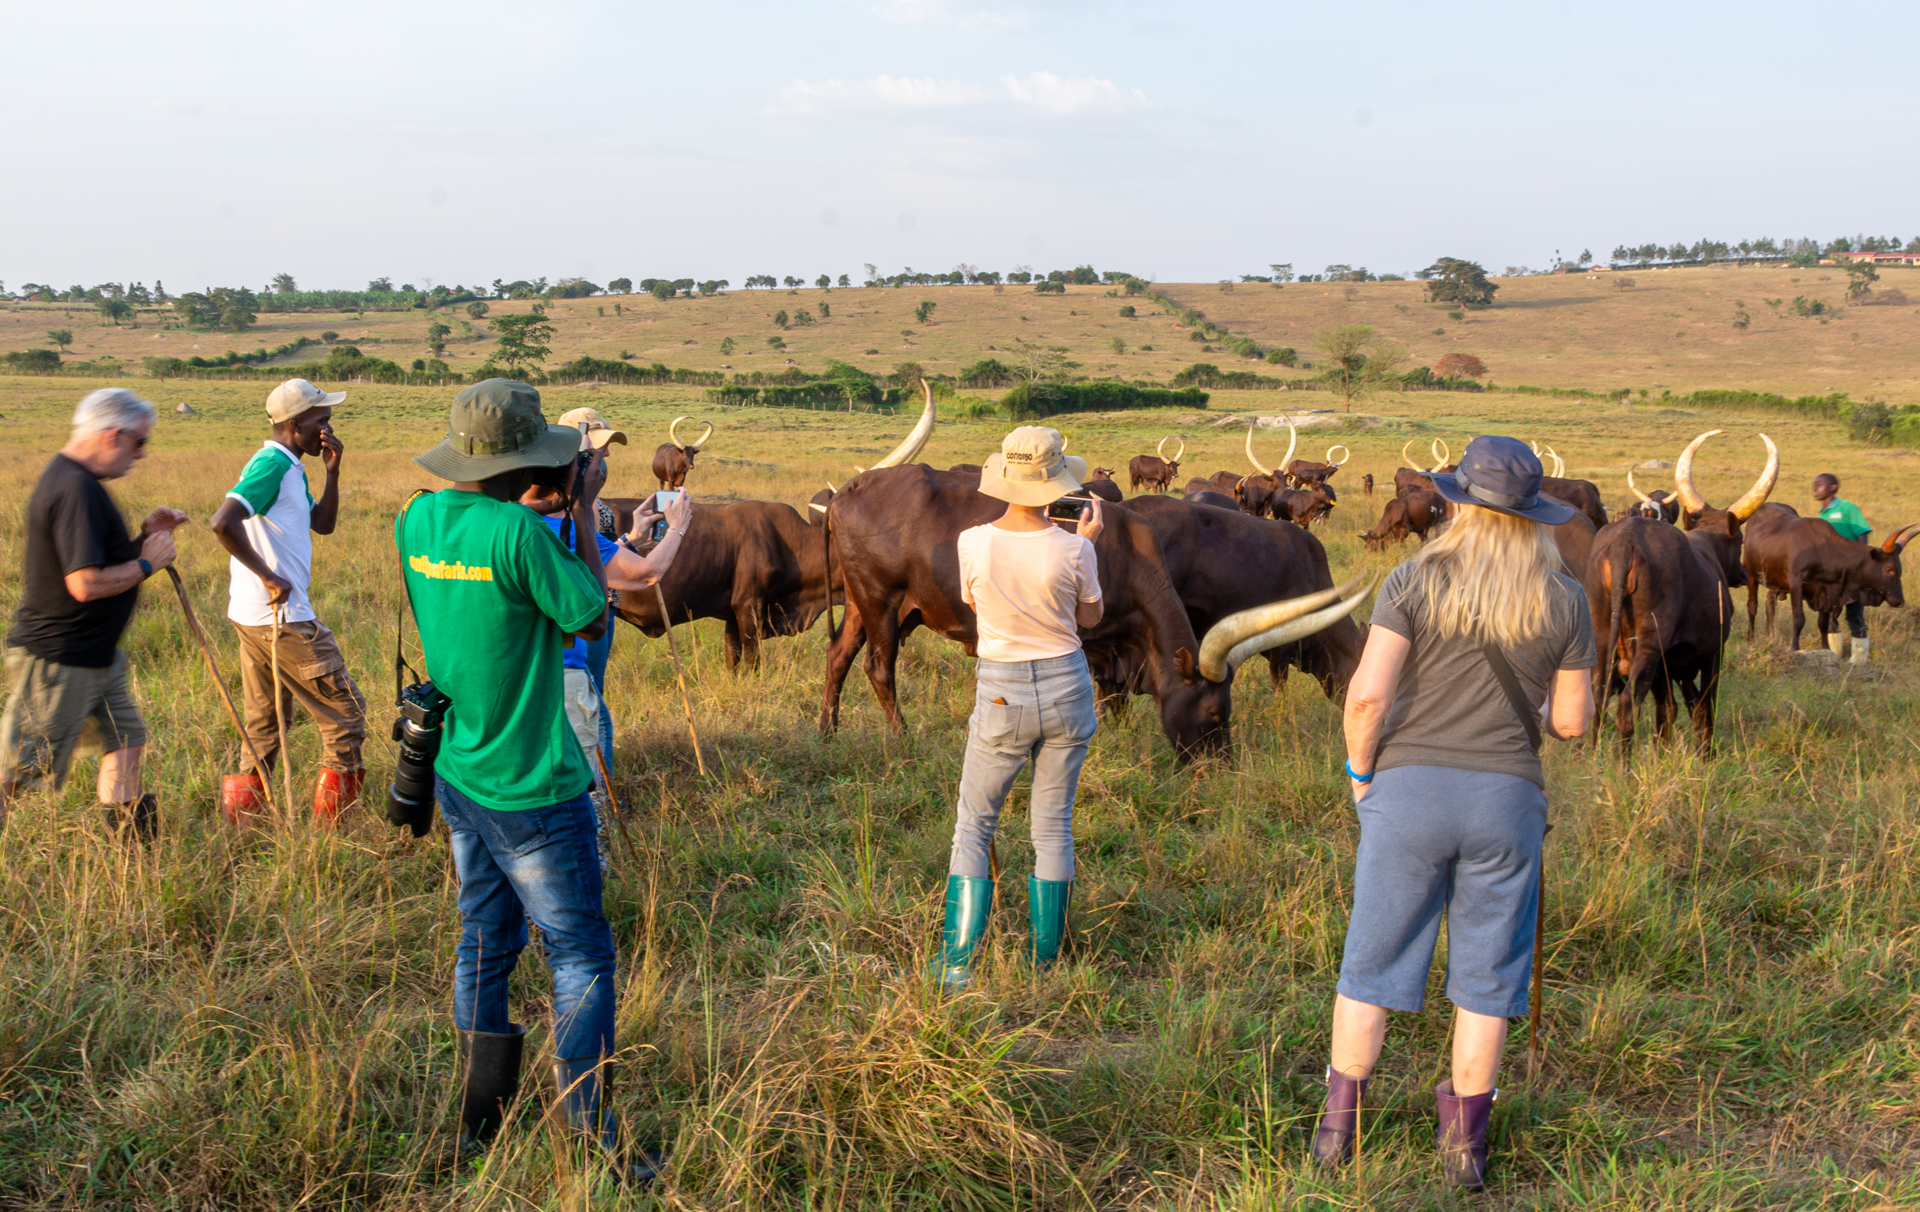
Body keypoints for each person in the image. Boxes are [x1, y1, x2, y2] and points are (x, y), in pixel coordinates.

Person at [1315, 436, 1595, 1189]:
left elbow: (1368, 696)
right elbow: (1571, 722)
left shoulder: (1412, 577)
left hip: (1406, 794)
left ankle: (1337, 1137)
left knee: (1368, 966)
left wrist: (1360, 776)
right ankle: (1464, 1152)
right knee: (1487, 979)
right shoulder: (1565, 597)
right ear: (1534, 515)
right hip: (1507, 802)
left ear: (1458, 501)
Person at [397, 378, 659, 1182]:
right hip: (536, 784)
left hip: (458, 768)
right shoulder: (524, 535)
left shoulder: (417, 518)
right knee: (579, 953)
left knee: (482, 941)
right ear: (531, 467)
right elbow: (591, 615)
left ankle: (481, 1122)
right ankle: (591, 1135)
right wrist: (581, 511)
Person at [935, 426, 1105, 991]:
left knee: (974, 826)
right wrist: (1086, 545)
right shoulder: (1077, 546)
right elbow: (1090, 621)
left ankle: (958, 963)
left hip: (1003, 690)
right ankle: (1045, 963)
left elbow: (972, 602)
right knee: (1052, 827)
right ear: (1056, 483)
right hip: (1068, 687)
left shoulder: (972, 541)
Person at [2, 389, 187, 838]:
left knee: (126, 742)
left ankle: (134, 861)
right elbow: (85, 584)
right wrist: (147, 563)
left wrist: (145, 537)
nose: (141, 454)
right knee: (15, 773)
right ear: (112, 436)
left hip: (96, 657)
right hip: (60, 660)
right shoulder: (75, 489)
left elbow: (98, 564)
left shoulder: (79, 482)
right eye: (139, 443)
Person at [516, 432, 693, 859]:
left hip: (513, 680)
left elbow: (595, 559)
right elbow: (645, 575)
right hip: (564, 677)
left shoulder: (510, 521)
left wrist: (630, 537)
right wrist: (680, 528)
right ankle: (592, 865)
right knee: (580, 793)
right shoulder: (566, 528)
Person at [208, 378, 369, 826]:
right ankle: (335, 832)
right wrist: (269, 575)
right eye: (321, 421)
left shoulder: (292, 468)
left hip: (254, 617)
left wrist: (333, 473)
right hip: (284, 619)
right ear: (295, 424)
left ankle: (245, 825)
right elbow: (223, 522)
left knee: (264, 724)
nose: (328, 429)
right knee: (346, 716)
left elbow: (325, 524)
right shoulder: (271, 465)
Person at [1812, 473, 1872, 665]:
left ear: (1833, 487)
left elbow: (1862, 533)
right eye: (1814, 485)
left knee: (1854, 612)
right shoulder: (1820, 515)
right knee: (1829, 612)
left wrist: (1861, 561)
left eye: (1820, 484)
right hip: (1829, 574)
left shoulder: (1847, 507)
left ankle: (1860, 659)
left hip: (1852, 571)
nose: (1815, 488)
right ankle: (1834, 656)